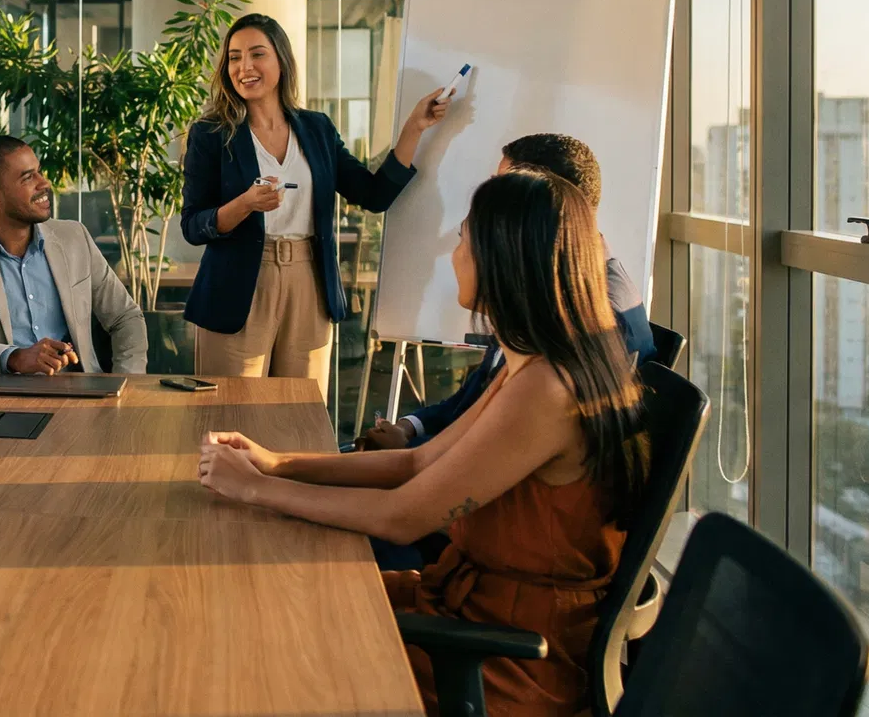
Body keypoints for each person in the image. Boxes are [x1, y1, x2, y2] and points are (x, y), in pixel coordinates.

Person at [198, 169, 650, 716]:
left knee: (267, 647)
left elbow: (401, 518)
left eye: (464, 238)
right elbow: (417, 460)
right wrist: (277, 464)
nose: (454, 253)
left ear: (503, 258)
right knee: (260, 604)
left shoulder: (549, 391)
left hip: (504, 664)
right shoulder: (535, 366)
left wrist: (254, 490)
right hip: (463, 611)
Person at [180, 12, 449, 388]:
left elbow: (372, 195)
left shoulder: (316, 128)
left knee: (300, 418)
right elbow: (193, 226)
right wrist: (245, 204)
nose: (245, 67)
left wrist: (413, 128)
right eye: (235, 57)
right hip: (238, 286)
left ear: (281, 61)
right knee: (230, 413)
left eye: (257, 54)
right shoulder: (211, 133)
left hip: (309, 281)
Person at [361, 133, 655, 452]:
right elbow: (477, 397)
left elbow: (504, 448)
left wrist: (409, 452)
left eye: (503, 187)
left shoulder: (596, 317)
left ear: (540, 202)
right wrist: (409, 428)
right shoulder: (545, 285)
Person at [0, 135, 148, 375]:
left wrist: (128, 382)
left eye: (38, 172)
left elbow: (125, 317)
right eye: (28, 177)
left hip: (82, 395)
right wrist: (14, 358)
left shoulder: (74, 238)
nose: (44, 183)